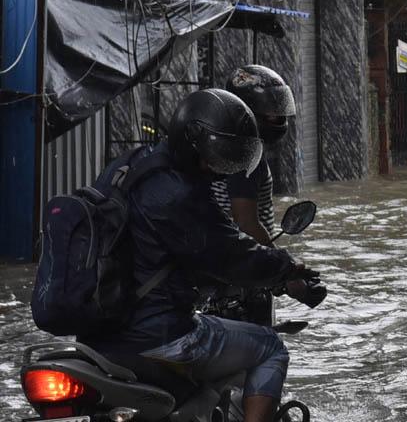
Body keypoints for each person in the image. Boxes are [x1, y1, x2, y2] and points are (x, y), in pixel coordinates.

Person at [82, 88, 321, 422]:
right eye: (214, 158)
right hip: (159, 335)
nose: (216, 169)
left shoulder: (124, 169)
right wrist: (287, 269)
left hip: (96, 335)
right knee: (270, 347)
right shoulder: (180, 193)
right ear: (190, 144)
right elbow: (233, 253)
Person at [210, 65, 296, 247]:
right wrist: (281, 265)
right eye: (270, 109)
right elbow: (246, 224)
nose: (278, 116)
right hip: (243, 260)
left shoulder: (219, 143)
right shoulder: (246, 154)